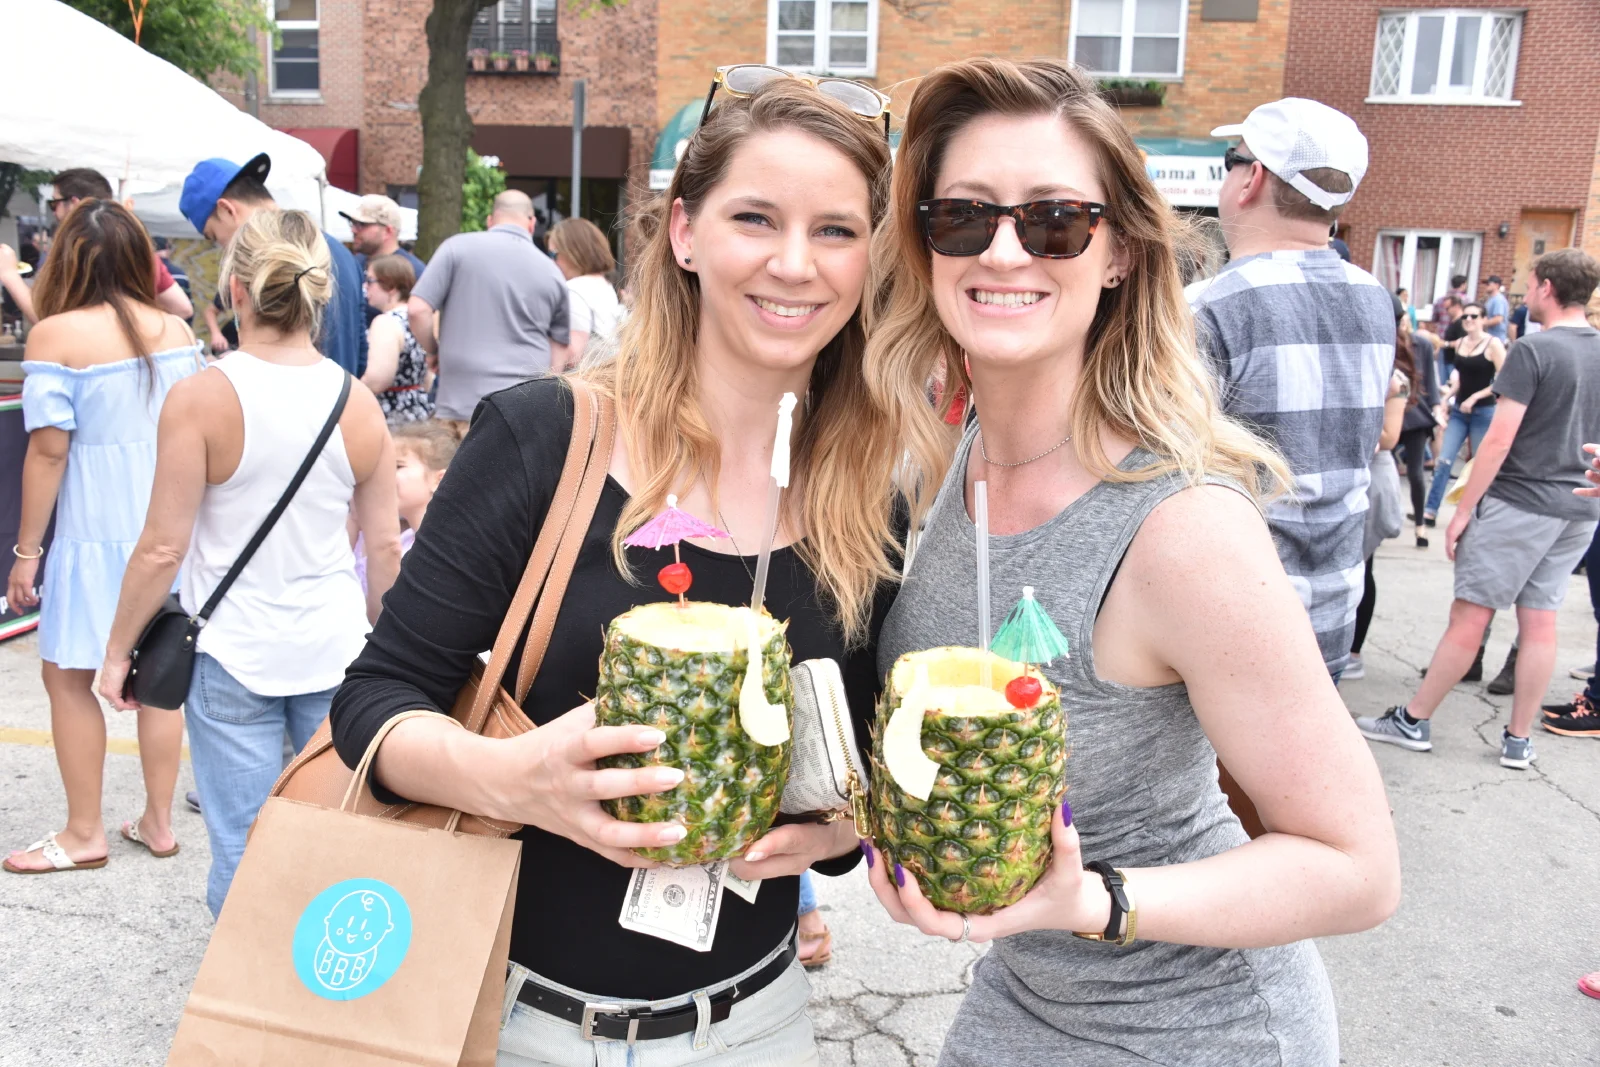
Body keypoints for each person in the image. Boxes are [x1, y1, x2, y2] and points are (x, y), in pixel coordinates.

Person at [331, 74, 899, 1063]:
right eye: (755, 218)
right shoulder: (546, 437)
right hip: (518, 1019)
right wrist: (511, 778)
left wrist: (842, 833)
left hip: (759, 1023)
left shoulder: (869, 495)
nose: (794, 262)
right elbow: (372, 703)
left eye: (836, 230)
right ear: (684, 232)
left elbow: (853, 758)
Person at [862, 57, 1399, 1065]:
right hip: (1023, 993)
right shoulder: (943, 461)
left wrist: (1093, 899)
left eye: (1055, 220)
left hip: (1202, 1029)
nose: (1004, 250)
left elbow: (1357, 867)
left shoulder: (1181, 525)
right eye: (963, 217)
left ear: (1116, 254)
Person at [98, 208, 401, 916]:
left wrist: (117, 654)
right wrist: (392, 655)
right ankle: (324, 965)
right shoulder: (356, 403)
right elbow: (385, 547)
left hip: (231, 650)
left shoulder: (201, 398)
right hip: (334, 647)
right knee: (338, 836)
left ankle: (249, 973)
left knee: (242, 838)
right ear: (318, 293)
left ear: (236, 290)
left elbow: (162, 546)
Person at [3, 201, 203, 874]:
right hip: (168, 530)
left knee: (66, 675)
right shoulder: (177, 330)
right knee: (160, 673)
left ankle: (84, 831)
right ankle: (158, 821)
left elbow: (48, 453)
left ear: (65, 258)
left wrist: (26, 552)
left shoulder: (54, 336)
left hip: (93, 530)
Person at [1361, 249, 1600, 768]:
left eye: (1530, 284)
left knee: (1470, 615)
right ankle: (1518, 739)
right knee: (1540, 622)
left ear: (1547, 288)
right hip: (1578, 508)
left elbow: (1498, 440)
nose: (1526, 293)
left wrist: (1464, 511)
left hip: (1520, 502)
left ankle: (1414, 720)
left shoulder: (1534, 350)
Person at [1188, 97, 1396, 679]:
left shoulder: (1209, 305)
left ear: (1252, 178)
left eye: (1230, 162)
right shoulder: (1373, 297)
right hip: (1334, 600)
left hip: (1232, 612)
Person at [179, 152, 367, 377]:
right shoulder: (344, 254)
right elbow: (361, 353)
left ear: (227, 210)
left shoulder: (264, 266)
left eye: (214, 236)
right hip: (345, 391)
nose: (224, 249)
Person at [406, 189, 570, 433]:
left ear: (490, 220)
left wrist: (433, 351)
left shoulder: (455, 248)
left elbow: (417, 309)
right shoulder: (552, 271)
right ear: (531, 222)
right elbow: (560, 345)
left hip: (460, 405)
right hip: (524, 410)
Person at [0, 168, 194, 325]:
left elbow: (46, 320)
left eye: (54, 203)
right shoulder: (139, 251)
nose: (54, 212)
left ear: (74, 203)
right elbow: (182, 308)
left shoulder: (77, 252)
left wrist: (9, 275)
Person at [1348, 319, 1419, 681]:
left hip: (1373, 475)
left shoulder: (1395, 378)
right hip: (1355, 472)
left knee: (1363, 566)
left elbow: (1390, 436)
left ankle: (1353, 652)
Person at [1422, 301, 1506, 524]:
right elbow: (1460, 380)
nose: (1468, 320)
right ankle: (1430, 509)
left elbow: (1504, 380)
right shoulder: (1460, 343)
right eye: (1465, 316)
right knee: (1444, 460)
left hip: (1483, 411)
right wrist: (1445, 398)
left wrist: (1476, 397)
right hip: (1460, 412)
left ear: (1483, 319)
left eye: (1474, 316)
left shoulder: (1493, 344)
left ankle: (1478, 512)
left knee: (1479, 465)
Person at [354, 420, 457, 591]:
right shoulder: (403, 539)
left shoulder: (446, 548)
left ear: (439, 480)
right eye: (382, 467)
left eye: (397, 466)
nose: (382, 475)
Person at [360, 253, 433, 424]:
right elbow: (428, 378)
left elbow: (377, 380)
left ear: (391, 286)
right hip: (419, 412)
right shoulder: (418, 319)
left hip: (392, 417)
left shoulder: (386, 322)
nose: (365, 287)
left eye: (370, 281)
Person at [547, 216, 624, 371]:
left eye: (553, 255)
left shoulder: (574, 290)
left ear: (574, 253)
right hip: (605, 376)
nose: (551, 262)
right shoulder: (603, 284)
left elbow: (572, 356)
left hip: (581, 379)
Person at [1393, 314, 1440, 548]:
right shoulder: (1387, 341)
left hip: (1416, 414)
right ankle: (1384, 519)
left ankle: (1420, 525)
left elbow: (1430, 380)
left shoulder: (1422, 345)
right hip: (1391, 413)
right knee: (1384, 471)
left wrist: (1436, 407)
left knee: (1416, 473)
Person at [341, 194, 424, 326]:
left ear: (388, 231)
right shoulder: (353, 264)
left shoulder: (413, 271)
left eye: (362, 224)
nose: (354, 230)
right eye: (353, 223)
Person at [1482, 274, 1509, 342]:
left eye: (1488, 284)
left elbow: (1498, 319)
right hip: (1490, 337)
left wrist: (1481, 323)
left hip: (1496, 338)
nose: (1486, 286)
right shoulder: (1491, 299)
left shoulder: (1498, 300)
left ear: (1496, 285)